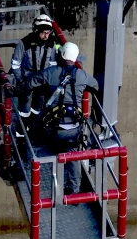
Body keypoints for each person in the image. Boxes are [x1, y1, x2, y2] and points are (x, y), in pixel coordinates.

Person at [31, 42, 98, 193]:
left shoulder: (51, 72)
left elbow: (31, 83)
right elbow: (95, 86)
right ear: (75, 59)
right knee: (73, 154)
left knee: (37, 121)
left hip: (51, 130)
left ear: (61, 56)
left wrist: (14, 89)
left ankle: (31, 150)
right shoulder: (82, 75)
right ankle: (74, 189)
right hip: (73, 130)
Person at [9, 13, 60, 119]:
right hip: (26, 80)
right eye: (43, 33)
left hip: (42, 81)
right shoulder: (24, 43)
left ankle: (32, 126)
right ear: (36, 31)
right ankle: (22, 130)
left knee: (38, 108)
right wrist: (21, 81)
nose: (46, 36)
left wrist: (48, 81)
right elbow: (15, 65)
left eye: (48, 33)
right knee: (24, 109)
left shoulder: (51, 44)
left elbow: (52, 64)